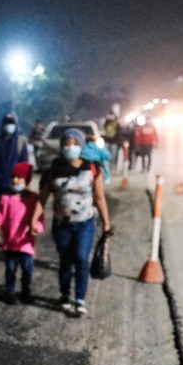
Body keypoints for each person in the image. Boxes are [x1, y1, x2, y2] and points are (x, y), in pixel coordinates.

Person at [39, 128, 113, 317]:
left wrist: (106, 222)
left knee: (81, 258)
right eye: (66, 144)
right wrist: (34, 220)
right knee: (65, 261)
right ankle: (65, 294)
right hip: (61, 224)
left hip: (85, 223)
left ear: (81, 146)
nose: (70, 147)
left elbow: (100, 197)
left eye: (74, 144)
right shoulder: (53, 169)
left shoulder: (92, 168)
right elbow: (43, 198)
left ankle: (80, 299)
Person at [0, 161, 43, 304]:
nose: (15, 180)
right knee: (10, 269)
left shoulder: (33, 199)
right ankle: (10, 292)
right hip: (10, 243)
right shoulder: (6, 198)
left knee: (27, 269)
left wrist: (37, 227)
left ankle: (25, 290)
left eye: (19, 177)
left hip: (26, 243)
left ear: (26, 180)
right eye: (13, 177)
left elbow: (40, 218)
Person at [0, 112, 31, 201]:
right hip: (1, 186)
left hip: (17, 185)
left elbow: (24, 164)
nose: (9, 125)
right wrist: (0, 179)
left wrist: (19, 180)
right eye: (7, 123)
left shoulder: (20, 142)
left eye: (12, 123)